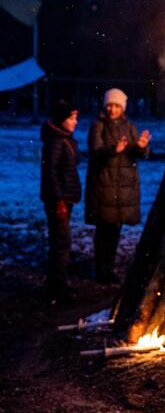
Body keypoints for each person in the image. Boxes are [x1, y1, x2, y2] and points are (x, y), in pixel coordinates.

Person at [85, 88, 151, 284]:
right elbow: (96, 151)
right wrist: (114, 150)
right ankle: (101, 269)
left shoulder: (129, 127)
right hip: (104, 185)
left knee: (115, 230)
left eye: (116, 106)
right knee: (103, 230)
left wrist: (141, 146)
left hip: (123, 188)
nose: (112, 109)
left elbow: (138, 155)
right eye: (109, 105)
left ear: (122, 107)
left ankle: (109, 268)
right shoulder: (98, 126)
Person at [40, 100, 81, 301]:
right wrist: (59, 201)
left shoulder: (64, 139)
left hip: (65, 199)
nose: (75, 122)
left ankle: (58, 284)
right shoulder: (56, 142)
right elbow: (51, 174)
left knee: (60, 240)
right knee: (61, 241)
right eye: (71, 118)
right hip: (59, 201)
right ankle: (58, 287)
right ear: (62, 119)